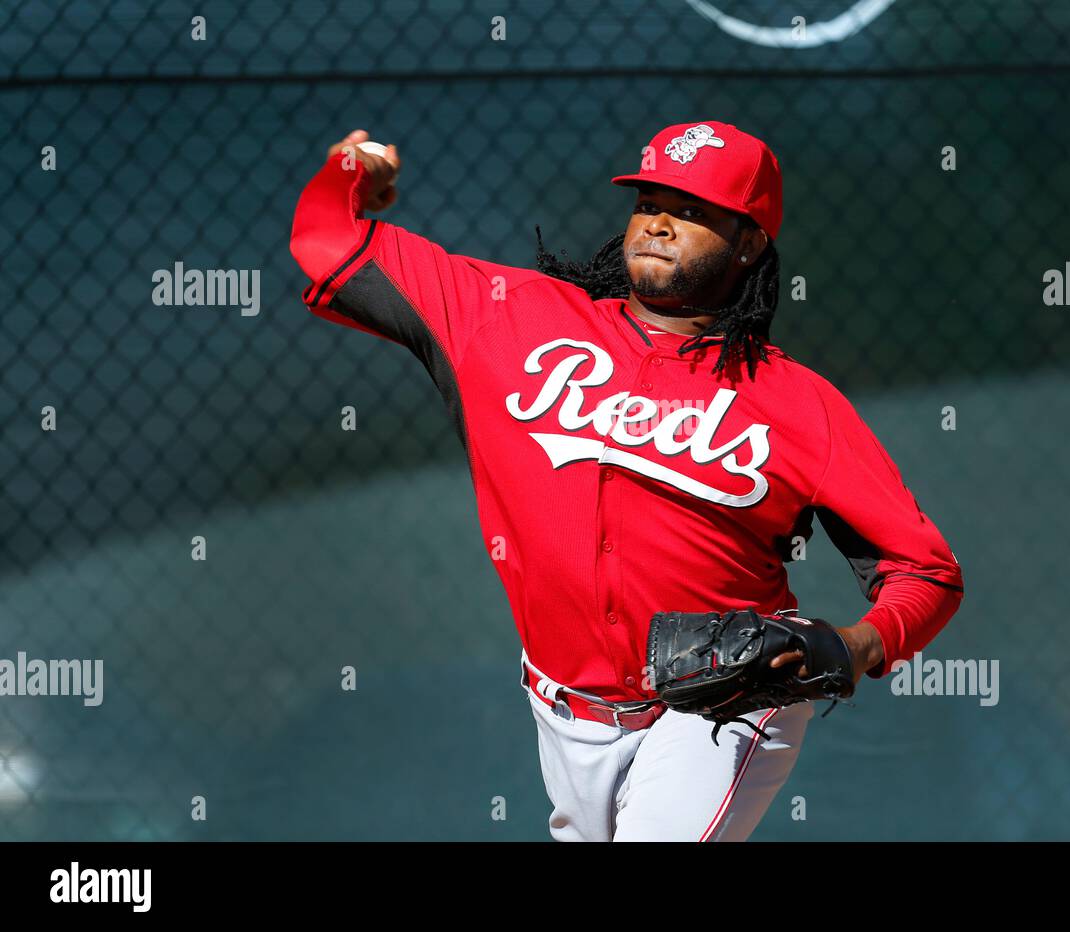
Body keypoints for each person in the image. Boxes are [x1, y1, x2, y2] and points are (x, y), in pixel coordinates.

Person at [290, 120, 964, 841]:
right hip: (563, 711)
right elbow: (326, 245)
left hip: (723, 705)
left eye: (695, 211)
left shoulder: (798, 403)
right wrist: (351, 169)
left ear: (749, 243)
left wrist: (853, 648)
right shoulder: (506, 316)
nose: (661, 225)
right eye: (650, 203)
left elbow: (926, 569)